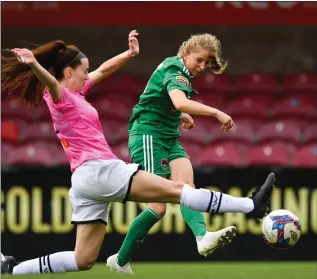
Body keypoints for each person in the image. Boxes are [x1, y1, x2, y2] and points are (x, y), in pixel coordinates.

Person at [1, 30, 275, 276]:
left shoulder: (77, 93)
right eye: (84, 71)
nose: (88, 74)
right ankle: (252, 206)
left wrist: (129, 54)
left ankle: (13, 269)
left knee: (82, 259)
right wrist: (35, 64)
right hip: (101, 170)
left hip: (85, 180)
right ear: (68, 72)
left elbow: (104, 71)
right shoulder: (59, 95)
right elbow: (50, 82)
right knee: (179, 191)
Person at [106, 33, 274, 274]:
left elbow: (162, 98)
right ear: (185, 53)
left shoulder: (174, 67)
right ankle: (120, 260)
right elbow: (179, 101)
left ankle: (202, 237)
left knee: (187, 186)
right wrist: (215, 112)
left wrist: (178, 114)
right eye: (199, 60)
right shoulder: (177, 71)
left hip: (167, 135)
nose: (202, 67)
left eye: (206, 63)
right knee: (159, 205)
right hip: (149, 136)